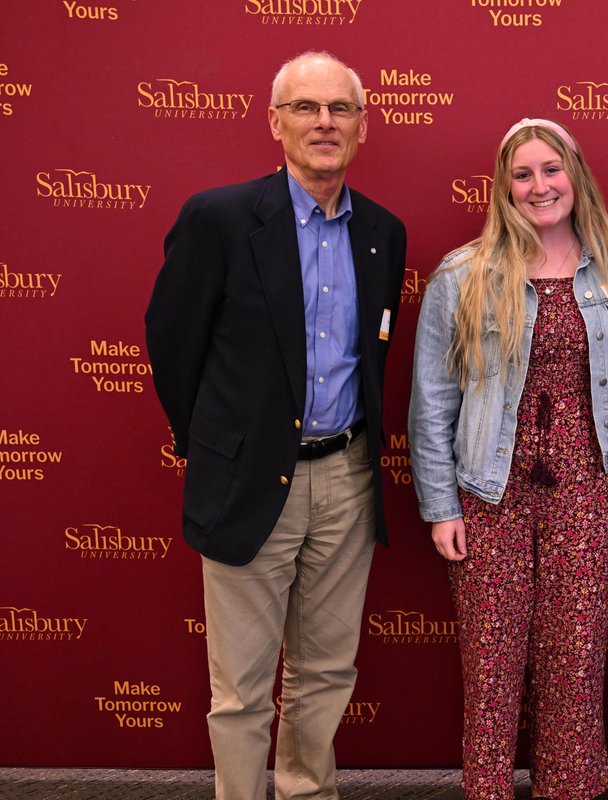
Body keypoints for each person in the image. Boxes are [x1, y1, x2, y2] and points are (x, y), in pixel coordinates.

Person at [145, 51, 406, 800]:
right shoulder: (219, 219)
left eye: (340, 109)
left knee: (326, 673)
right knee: (242, 688)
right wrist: (217, 448)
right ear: (275, 122)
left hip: (348, 479)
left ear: (363, 124)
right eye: (306, 108)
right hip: (247, 478)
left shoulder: (383, 232)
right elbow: (173, 341)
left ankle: (307, 793)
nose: (324, 123)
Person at [408, 118, 608, 800]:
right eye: (523, 174)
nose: (540, 186)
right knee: (491, 661)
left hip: (589, 486)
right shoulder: (463, 276)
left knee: (574, 658)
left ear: (576, 176)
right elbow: (431, 401)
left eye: (551, 169)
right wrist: (440, 507)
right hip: (489, 488)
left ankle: (569, 789)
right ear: (504, 188)